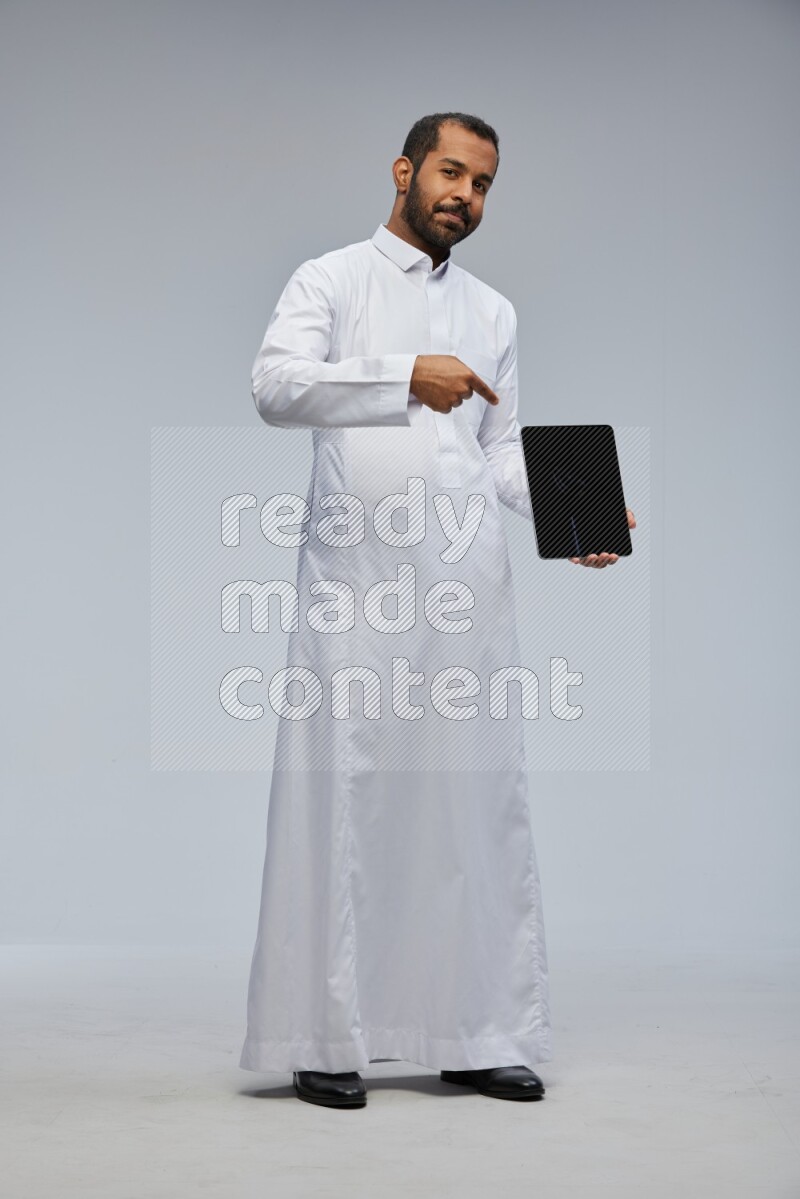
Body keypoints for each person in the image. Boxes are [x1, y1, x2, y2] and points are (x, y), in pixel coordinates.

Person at [239, 111, 636, 1109]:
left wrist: (568, 515)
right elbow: (275, 388)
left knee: (469, 808)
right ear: (404, 170)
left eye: (483, 183)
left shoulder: (493, 310)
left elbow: (497, 451)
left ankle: (474, 1027)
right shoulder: (329, 280)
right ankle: (324, 1033)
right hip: (356, 585)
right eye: (450, 172)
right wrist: (400, 374)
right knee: (344, 797)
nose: (463, 193)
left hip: (464, 592)